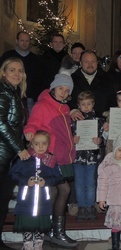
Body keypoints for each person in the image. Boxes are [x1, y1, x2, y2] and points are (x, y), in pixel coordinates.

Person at [24, 73, 78, 247]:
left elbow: (65, 132)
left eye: (67, 90)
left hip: (62, 157)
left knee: (56, 191)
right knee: (63, 190)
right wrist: (29, 132)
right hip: (50, 156)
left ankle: (49, 230)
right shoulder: (42, 105)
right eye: (61, 88)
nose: (64, 92)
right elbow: (32, 122)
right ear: (53, 87)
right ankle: (57, 233)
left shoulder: (65, 108)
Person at [9, 130, 62, 250]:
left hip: (43, 201)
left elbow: (57, 177)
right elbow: (13, 173)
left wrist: (46, 182)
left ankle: (38, 245)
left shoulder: (51, 160)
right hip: (26, 200)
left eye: (44, 143)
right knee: (27, 224)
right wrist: (26, 181)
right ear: (31, 144)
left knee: (40, 225)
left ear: (48, 144)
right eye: (37, 143)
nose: (41, 146)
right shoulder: (25, 159)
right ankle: (27, 245)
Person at [0, 58, 30, 249]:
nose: (17, 74)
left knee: (3, 200)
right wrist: (20, 148)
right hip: (3, 153)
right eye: (12, 70)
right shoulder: (3, 92)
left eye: (20, 70)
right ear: (3, 72)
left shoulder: (14, 94)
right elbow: (1, 123)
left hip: (8, 155)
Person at [71, 91, 104, 220]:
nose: (86, 107)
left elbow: (102, 138)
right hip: (77, 157)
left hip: (92, 157)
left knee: (90, 183)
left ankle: (90, 206)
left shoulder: (98, 121)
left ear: (93, 104)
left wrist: (99, 141)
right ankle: (81, 208)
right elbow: (69, 136)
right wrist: (73, 139)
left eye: (88, 104)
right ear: (78, 105)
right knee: (79, 183)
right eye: (83, 104)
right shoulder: (73, 121)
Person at [0, 31, 42, 114]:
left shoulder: (36, 59)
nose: (24, 43)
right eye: (22, 40)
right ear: (17, 41)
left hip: (29, 98)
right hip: (9, 93)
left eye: (27, 41)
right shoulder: (7, 56)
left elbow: (39, 79)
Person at [70, 50, 115, 120]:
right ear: (81, 63)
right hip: (79, 122)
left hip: (102, 122)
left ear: (97, 63)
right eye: (86, 62)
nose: (90, 65)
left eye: (93, 61)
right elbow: (66, 99)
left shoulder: (108, 79)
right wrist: (72, 110)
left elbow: (113, 101)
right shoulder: (72, 79)